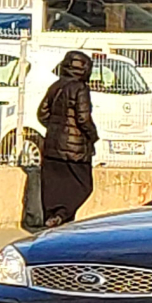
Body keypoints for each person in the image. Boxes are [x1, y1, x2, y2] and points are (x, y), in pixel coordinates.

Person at [36, 51, 98, 228]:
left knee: (54, 188)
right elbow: (83, 119)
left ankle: (53, 218)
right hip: (75, 151)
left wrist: (56, 128)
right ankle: (62, 216)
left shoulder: (55, 86)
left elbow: (42, 114)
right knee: (83, 186)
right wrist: (92, 137)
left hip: (52, 147)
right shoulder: (80, 88)